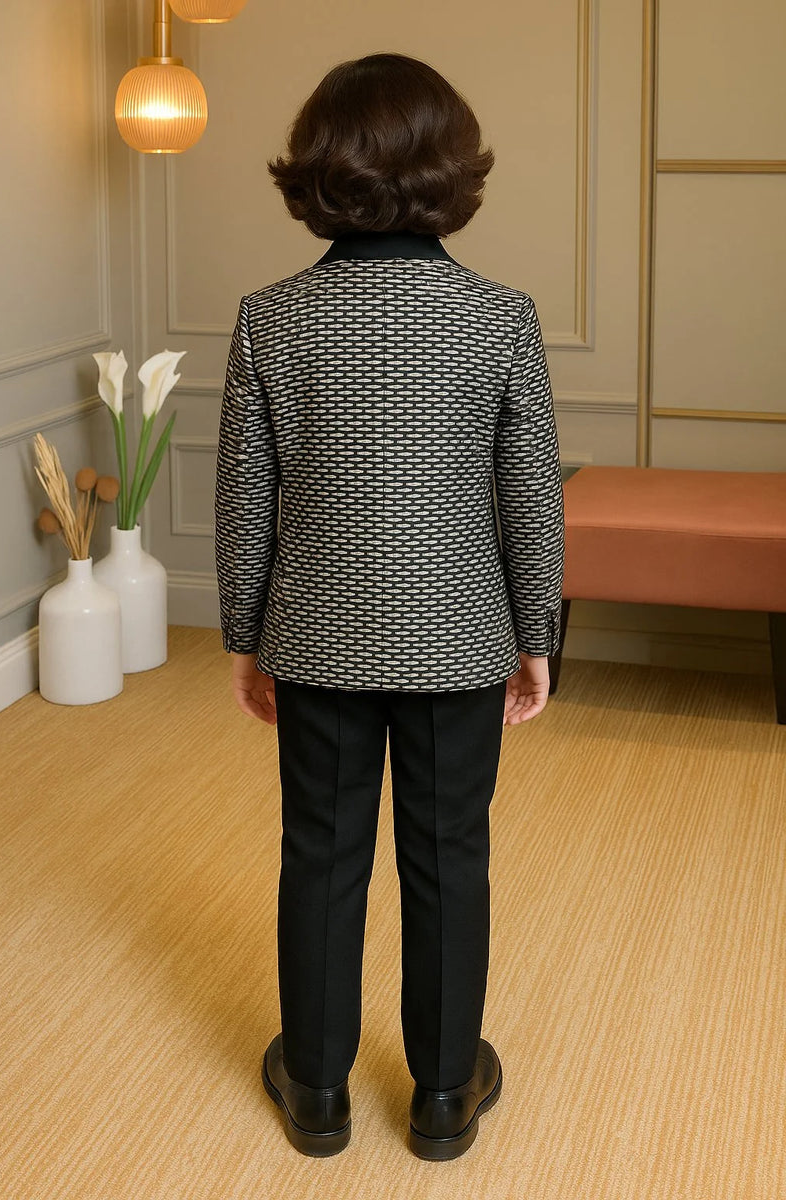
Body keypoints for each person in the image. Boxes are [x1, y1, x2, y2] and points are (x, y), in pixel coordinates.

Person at [213, 51, 565, 1161]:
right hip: (459, 639)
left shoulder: (271, 320)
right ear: (453, 170)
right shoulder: (500, 319)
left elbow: (244, 497)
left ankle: (316, 1090)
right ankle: (445, 1093)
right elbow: (529, 496)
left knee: (320, 852)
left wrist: (244, 635)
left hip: (316, 637)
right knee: (449, 854)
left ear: (316, 167)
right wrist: (536, 637)